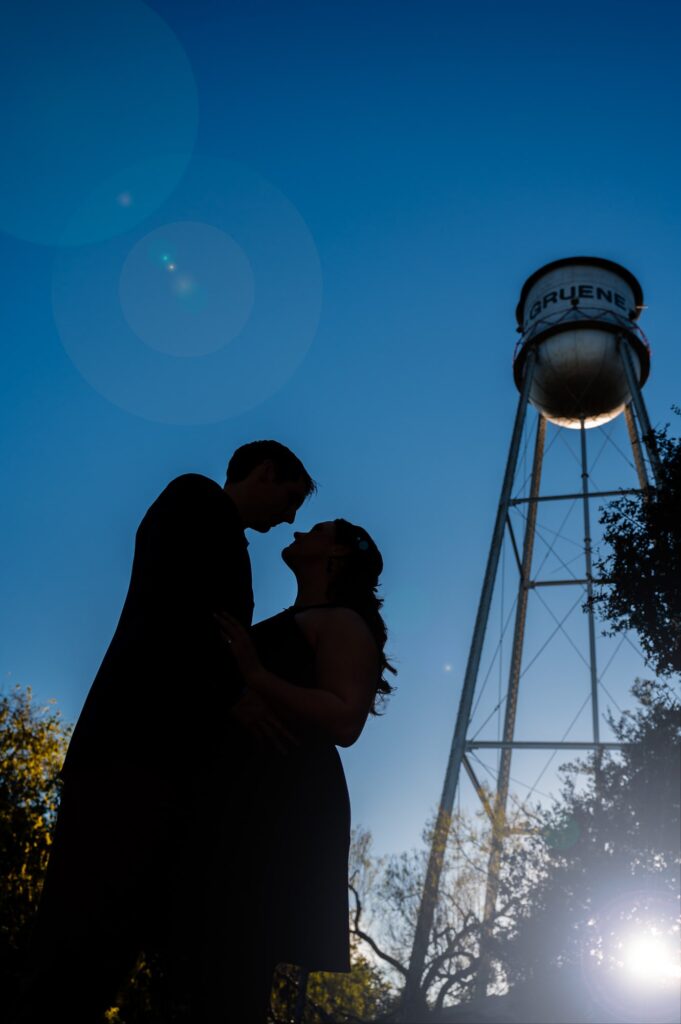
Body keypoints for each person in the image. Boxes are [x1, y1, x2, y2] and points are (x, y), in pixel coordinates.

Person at [13, 441, 315, 1024]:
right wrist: (233, 694)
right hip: (130, 754)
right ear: (266, 471)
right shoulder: (193, 500)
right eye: (291, 498)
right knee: (84, 930)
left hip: (155, 764)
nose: (289, 519)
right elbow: (171, 612)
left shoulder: (219, 531)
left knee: (111, 938)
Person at [208, 516, 397, 1021]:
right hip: (244, 791)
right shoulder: (298, 616)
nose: (297, 535)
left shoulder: (342, 622)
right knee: (215, 951)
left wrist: (253, 674)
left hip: (285, 800)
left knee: (241, 954)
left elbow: (344, 719)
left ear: (334, 557)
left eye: (314, 531)